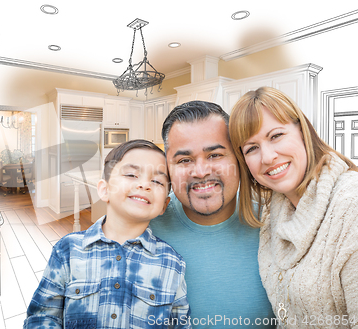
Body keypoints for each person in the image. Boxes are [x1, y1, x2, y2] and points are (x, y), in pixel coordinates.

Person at [24, 139, 192, 329]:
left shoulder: (172, 262)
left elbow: (180, 325)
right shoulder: (68, 250)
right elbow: (42, 316)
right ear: (104, 190)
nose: (145, 185)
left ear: (164, 205)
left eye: (156, 181)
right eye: (131, 174)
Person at [229, 86, 358, 328]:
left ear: (302, 130)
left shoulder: (351, 207)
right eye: (251, 148)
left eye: (276, 135)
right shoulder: (272, 213)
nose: (267, 157)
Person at [150, 101, 276, 328]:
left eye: (215, 155)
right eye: (184, 160)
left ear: (238, 159)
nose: (201, 172)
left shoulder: (274, 223)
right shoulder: (143, 228)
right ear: (167, 167)